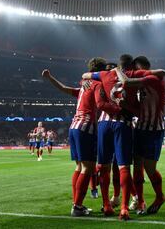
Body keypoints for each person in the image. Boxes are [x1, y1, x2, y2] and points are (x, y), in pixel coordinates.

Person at [82, 54, 165, 220]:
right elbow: (136, 109)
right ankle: (133, 203)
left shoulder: (145, 78)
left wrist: (88, 79)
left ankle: (114, 202)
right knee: (128, 166)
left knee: (131, 167)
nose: (135, 71)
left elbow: (88, 77)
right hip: (131, 126)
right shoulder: (133, 74)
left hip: (149, 128)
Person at [42, 57, 123, 217]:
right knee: (89, 168)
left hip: (74, 127)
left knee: (79, 167)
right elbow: (100, 104)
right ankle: (77, 206)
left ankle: (77, 204)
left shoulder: (83, 85)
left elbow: (64, 88)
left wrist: (50, 78)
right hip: (86, 128)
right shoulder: (98, 84)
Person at [114, 55, 165, 215]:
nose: (135, 72)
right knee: (137, 166)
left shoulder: (152, 79)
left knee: (150, 168)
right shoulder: (143, 87)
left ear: (144, 68)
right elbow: (139, 111)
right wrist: (125, 105)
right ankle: (140, 201)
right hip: (141, 128)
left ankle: (160, 197)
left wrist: (117, 70)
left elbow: (126, 82)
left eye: (137, 69)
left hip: (153, 130)